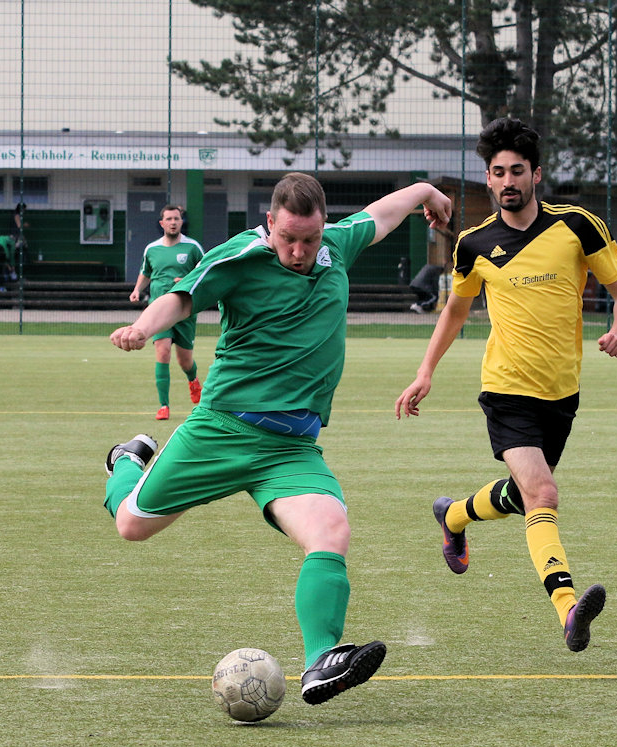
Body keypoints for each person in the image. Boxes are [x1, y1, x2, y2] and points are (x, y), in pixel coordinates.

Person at [103, 173, 451, 706]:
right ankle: (129, 460)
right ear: (270, 224)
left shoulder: (336, 244)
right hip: (222, 430)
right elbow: (180, 298)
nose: (299, 250)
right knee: (131, 525)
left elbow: (383, 212)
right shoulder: (238, 257)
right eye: (288, 238)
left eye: (309, 239)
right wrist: (144, 328)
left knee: (331, 531)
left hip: (291, 450)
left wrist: (426, 191)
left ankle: (320, 662)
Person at [394, 117, 617, 653]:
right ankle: (568, 609)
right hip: (505, 389)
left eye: (517, 171)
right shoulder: (474, 244)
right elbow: (455, 310)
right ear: (488, 179)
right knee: (543, 493)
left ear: (536, 175)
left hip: (562, 392)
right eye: (498, 172)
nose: (508, 180)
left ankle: (453, 515)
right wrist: (425, 371)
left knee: (526, 494)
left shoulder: (577, 226)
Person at [130, 205, 206, 420]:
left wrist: (187, 281)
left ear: (181, 222)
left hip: (184, 310)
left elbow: (204, 273)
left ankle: (193, 380)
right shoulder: (151, 249)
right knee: (162, 352)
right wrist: (137, 289)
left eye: (177, 219)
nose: (173, 222)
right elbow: (145, 272)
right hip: (158, 309)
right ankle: (164, 405)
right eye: (169, 219)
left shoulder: (193, 248)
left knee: (185, 361)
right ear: (162, 223)